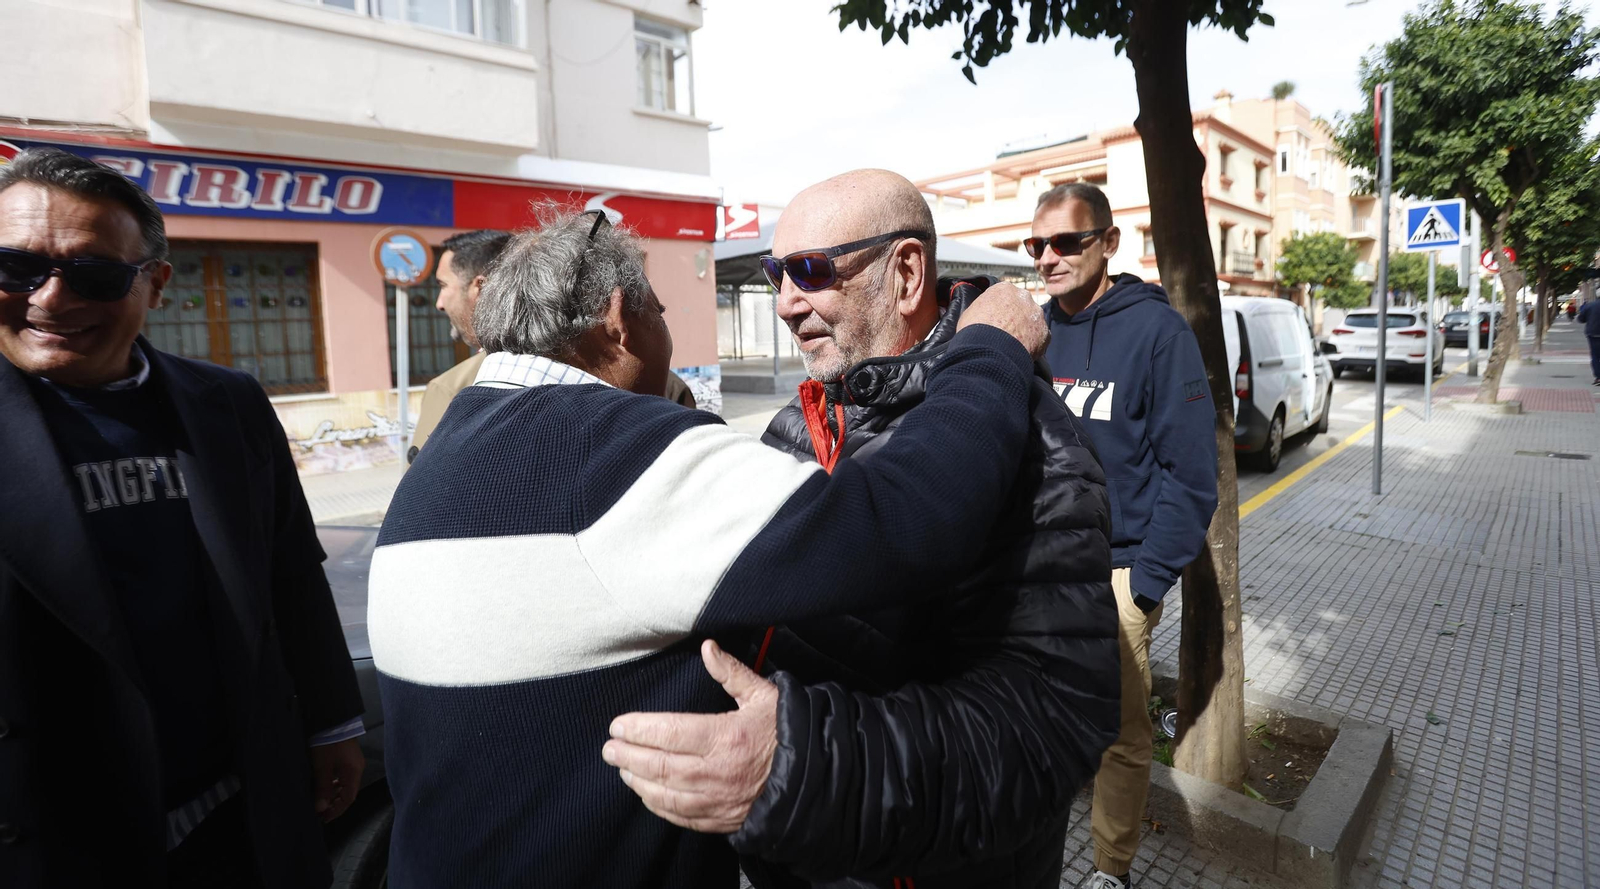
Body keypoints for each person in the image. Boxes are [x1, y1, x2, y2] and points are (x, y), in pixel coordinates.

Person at [367, 207, 1052, 888]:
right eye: (659, 310)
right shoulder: (617, 454)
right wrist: (990, 348)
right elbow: (910, 519)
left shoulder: (444, 453)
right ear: (617, 316)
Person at [602, 169, 1123, 889]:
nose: (785, 302)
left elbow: (1054, 723)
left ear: (906, 274)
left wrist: (805, 768)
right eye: (775, 272)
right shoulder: (796, 423)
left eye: (811, 272)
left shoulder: (1033, 443)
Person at [0, 148, 365, 888]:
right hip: (51, 832)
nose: (49, 299)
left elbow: (288, 572)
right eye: (15, 268)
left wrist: (332, 723)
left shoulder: (226, 404)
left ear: (156, 284)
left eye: (94, 274)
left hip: (232, 810)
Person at [1028, 182, 1220, 889]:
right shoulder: (1034, 332)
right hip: (1041, 567)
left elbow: (1193, 473)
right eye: (1036, 245)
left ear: (1107, 243)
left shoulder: (1157, 333)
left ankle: (1111, 867)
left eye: (1066, 242)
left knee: (1119, 733)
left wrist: (1143, 586)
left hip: (1116, 574)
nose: (1049, 257)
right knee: (1039, 713)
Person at [407, 228, 511, 460]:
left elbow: (420, 492)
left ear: (481, 289)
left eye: (443, 286)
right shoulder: (582, 364)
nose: (439, 303)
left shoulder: (452, 389)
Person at [1579, 296, 1600, 385]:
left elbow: (1581, 319)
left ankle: (1598, 377)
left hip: (1593, 333)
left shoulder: (1590, 305)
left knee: (1595, 356)